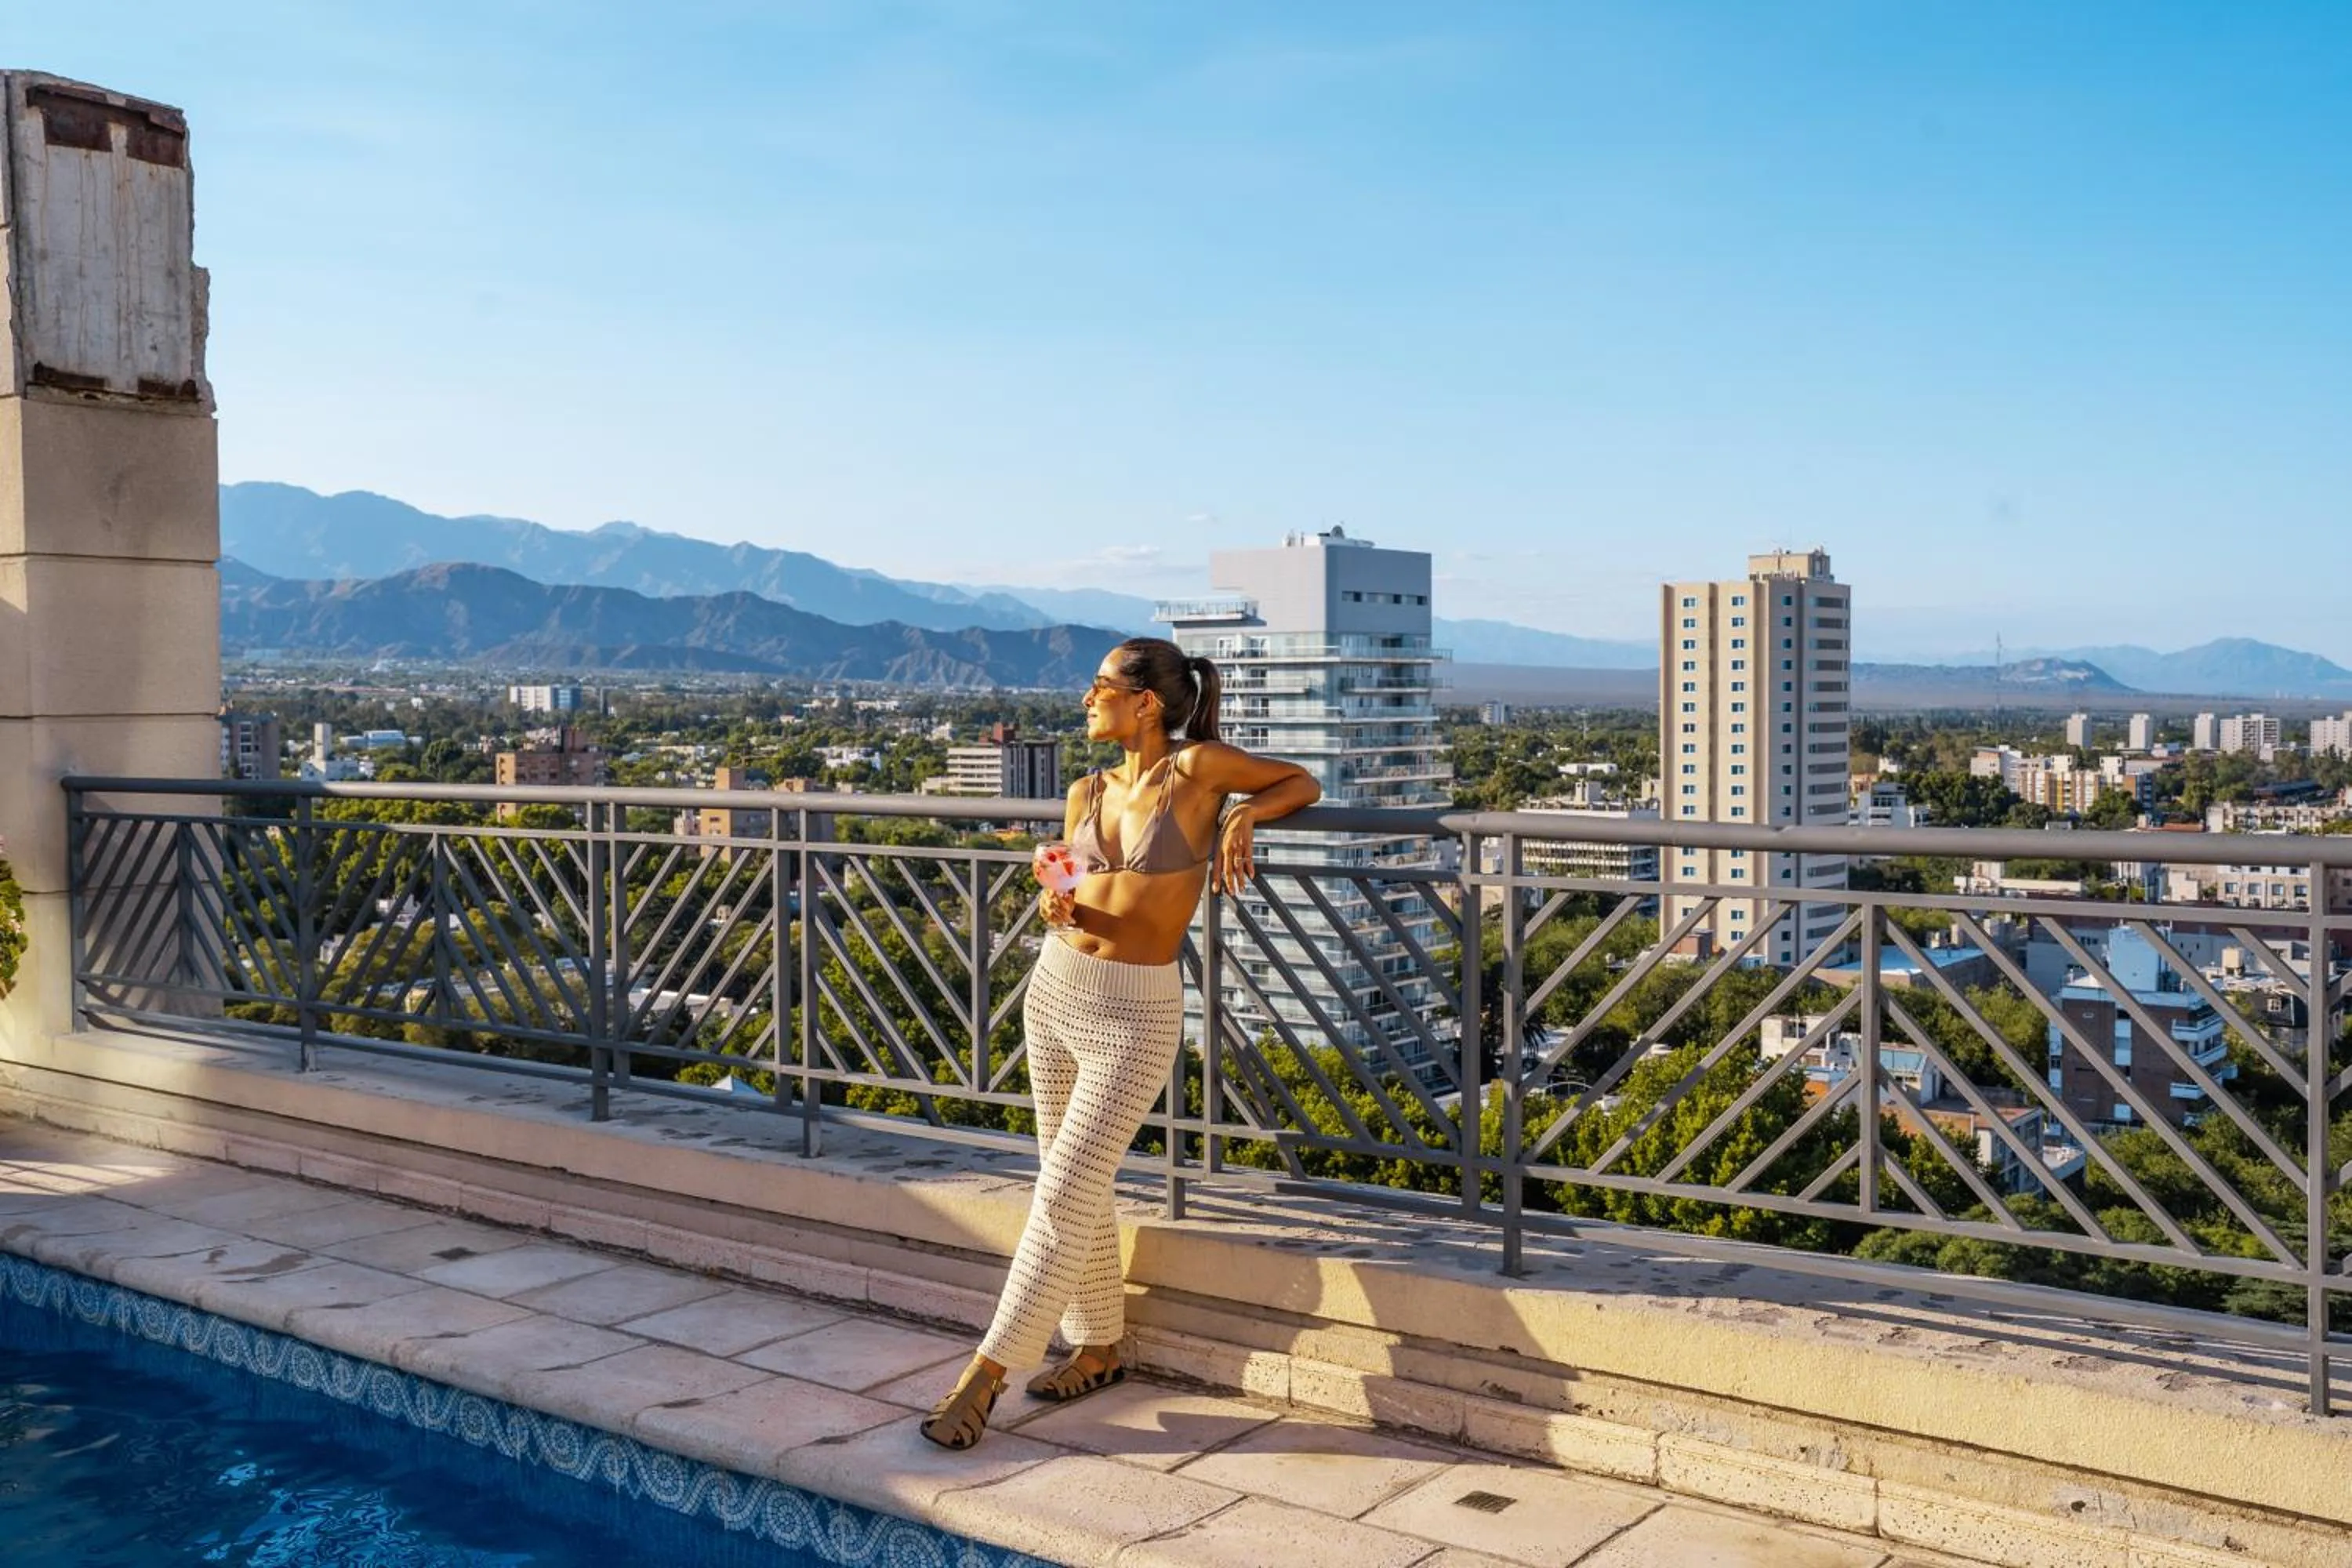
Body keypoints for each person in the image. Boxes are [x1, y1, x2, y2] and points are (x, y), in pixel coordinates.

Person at [919, 637, 1320, 1450]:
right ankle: (1099, 1346)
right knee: (1075, 1182)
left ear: (1145, 701)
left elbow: (1301, 782)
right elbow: (1068, 883)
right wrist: (1055, 902)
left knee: (1064, 1188)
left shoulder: (1198, 769)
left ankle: (986, 1374)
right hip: (1057, 989)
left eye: (1099, 685)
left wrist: (1245, 813)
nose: (1086, 698)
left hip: (1135, 1014)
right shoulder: (1087, 789)